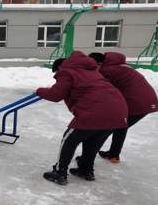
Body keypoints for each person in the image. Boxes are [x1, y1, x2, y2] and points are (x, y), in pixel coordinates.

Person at [36, 51, 128, 185]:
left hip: (96, 111)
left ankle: (60, 172)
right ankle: (86, 170)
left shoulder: (66, 72)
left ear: (59, 68)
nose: (57, 77)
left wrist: (39, 91)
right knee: (93, 141)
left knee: (69, 140)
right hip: (118, 111)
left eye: (56, 74)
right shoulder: (91, 71)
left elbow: (56, 95)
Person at [89, 52, 158, 163]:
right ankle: (114, 155)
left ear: (99, 63)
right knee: (121, 126)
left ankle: (87, 160)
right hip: (147, 101)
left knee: (105, 129)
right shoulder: (120, 65)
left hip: (135, 103)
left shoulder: (106, 70)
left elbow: (103, 91)